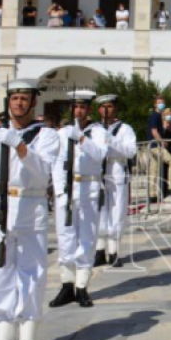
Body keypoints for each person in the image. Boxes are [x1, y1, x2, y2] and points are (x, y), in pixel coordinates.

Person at [0, 78, 59, 340]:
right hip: (2, 210)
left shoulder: (46, 136)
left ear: (34, 102)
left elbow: (42, 173)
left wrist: (21, 147)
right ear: (8, 102)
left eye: (25, 98)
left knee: (32, 276)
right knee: (1, 277)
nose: (19, 103)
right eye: (15, 98)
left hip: (31, 208)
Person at [49, 90, 108, 311]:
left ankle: (82, 285)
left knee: (86, 238)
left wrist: (82, 139)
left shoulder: (98, 132)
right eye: (75, 107)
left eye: (83, 107)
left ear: (89, 109)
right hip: (67, 189)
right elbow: (55, 161)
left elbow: (100, 154)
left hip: (89, 188)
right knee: (65, 238)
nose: (79, 110)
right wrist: (58, 188)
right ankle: (66, 284)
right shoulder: (62, 133)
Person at [94, 94, 137, 268]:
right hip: (98, 172)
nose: (106, 110)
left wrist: (112, 140)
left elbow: (131, 151)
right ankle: (99, 249)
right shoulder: (94, 128)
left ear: (115, 108)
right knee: (99, 211)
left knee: (116, 211)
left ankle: (113, 251)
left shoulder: (124, 129)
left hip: (117, 170)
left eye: (109, 106)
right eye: (103, 107)